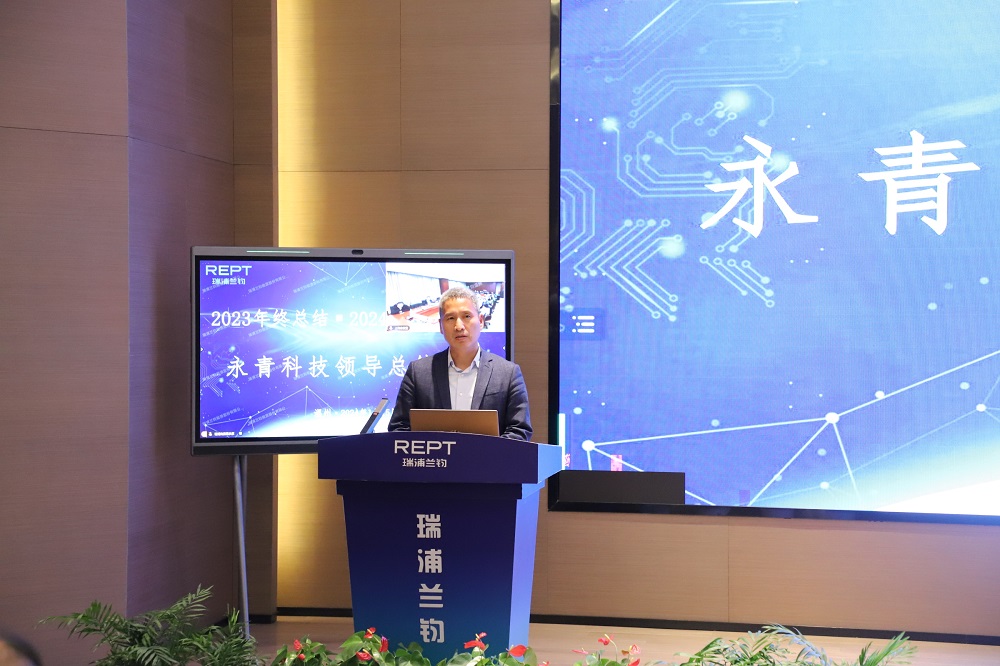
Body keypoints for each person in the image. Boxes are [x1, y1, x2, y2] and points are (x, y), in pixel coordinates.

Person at [388, 286, 532, 440]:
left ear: (481, 321)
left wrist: (485, 452)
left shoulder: (508, 373)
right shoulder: (418, 372)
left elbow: (519, 430)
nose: (459, 326)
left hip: (487, 457)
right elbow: (399, 429)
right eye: (450, 318)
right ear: (440, 326)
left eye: (467, 316)